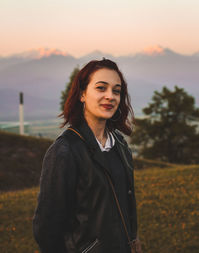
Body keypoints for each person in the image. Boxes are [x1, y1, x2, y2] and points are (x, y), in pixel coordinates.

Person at [33, 59, 142, 253]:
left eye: (116, 91)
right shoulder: (65, 151)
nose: (110, 96)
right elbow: (47, 231)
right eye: (101, 88)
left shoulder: (120, 145)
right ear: (82, 94)